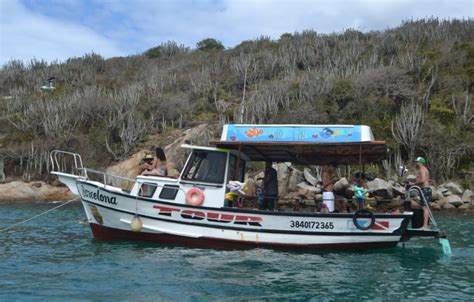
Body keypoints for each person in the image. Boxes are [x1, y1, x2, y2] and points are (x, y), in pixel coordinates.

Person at [415, 156, 431, 229]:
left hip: (425, 189)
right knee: (424, 207)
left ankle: (425, 225)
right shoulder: (423, 169)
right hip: (424, 189)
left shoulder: (422, 169)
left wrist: (414, 183)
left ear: (420, 163)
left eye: (417, 162)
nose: (416, 163)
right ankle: (426, 224)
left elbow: (423, 180)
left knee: (425, 208)